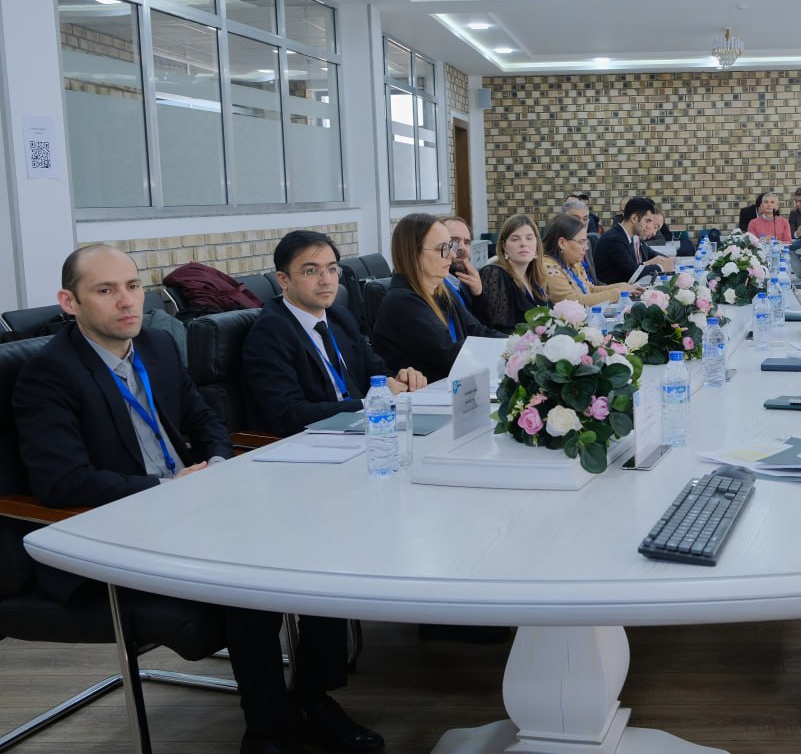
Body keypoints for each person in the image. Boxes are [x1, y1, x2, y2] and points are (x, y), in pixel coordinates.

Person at [14, 244, 384, 754]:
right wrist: (166, 489)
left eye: (132, 286)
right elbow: (61, 481)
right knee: (250, 578)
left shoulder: (157, 346)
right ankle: (267, 731)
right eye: (105, 290)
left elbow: (206, 420)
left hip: (194, 503)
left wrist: (214, 462)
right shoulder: (50, 374)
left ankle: (313, 698)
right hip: (118, 527)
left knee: (318, 541)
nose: (126, 301)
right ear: (69, 302)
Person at [243, 231, 425, 438]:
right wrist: (367, 404)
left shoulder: (340, 317)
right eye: (311, 271)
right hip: (313, 442)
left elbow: (376, 370)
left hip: (361, 431)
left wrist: (398, 378)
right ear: (283, 280)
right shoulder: (270, 332)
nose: (326, 281)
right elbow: (288, 414)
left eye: (331, 269)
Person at [372, 214, 506, 382]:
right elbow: (450, 355)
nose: (452, 255)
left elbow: (478, 331)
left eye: (450, 246)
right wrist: (510, 355)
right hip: (426, 394)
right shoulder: (402, 302)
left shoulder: (442, 291)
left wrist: (519, 345)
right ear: (413, 253)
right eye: (442, 248)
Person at [541, 213, 639, 307]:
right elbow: (574, 302)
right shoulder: (549, 268)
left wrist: (621, 286)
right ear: (562, 243)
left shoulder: (572, 263)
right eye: (581, 242)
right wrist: (618, 292)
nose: (586, 247)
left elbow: (590, 289)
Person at [479, 214, 552, 333]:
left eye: (529, 238)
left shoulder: (537, 279)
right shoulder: (495, 274)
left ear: (537, 244)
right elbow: (499, 329)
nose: (523, 243)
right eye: (515, 239)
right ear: (504, 246)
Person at [593, 196, 674, 284]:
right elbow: (633, 273)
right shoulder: (614, 239)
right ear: (634, 218)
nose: (647, 225)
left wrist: (667, 261)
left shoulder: (630, 237)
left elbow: (650, 255)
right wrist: (661, 267)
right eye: (647, 221)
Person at [439, 215, 489, 324]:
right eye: (453, 241)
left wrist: (479, 295)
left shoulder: (467, 281)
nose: (462, 247)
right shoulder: (433, 285)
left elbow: (483, 328)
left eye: (466, 242)